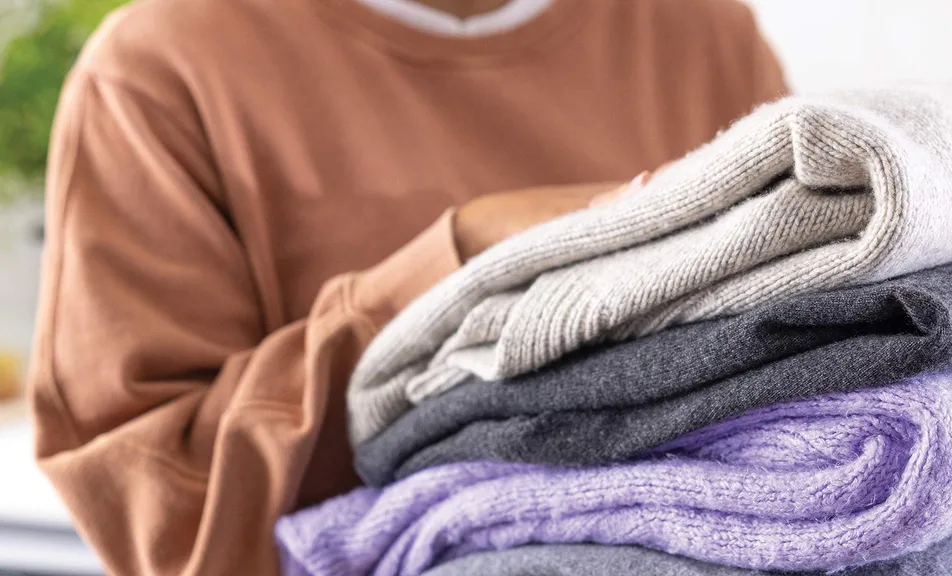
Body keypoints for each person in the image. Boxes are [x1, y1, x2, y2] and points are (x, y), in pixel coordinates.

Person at [28, 0, 788, 574]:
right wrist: (465, 256)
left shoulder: (700, 32)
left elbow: (801, 355)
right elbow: (155, 510)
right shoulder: (161, 67)